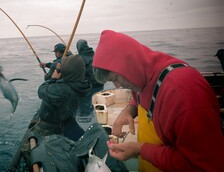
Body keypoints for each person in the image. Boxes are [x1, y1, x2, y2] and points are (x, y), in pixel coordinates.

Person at [92, 30, 223, 171]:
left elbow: (203, 166)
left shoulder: (182, 93)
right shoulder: (140, 76)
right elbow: (140, 93)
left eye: (116, 79)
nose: (118, 86)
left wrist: (141, 150)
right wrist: (129, 110)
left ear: (129, 65)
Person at [9, 55, 90, 171]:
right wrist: (53, 67)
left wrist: (53, 78)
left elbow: (41, 91)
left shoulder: (63, 89)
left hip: (48, 126)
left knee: (26, 151)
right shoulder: (82, 85)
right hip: (63, 120)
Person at [76, 39, 104, 122]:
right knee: (96, 100)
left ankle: (86, 115)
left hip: (90, 85)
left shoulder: (81, 58)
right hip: (100, 83)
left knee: (87, 101)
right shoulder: (94, 54)